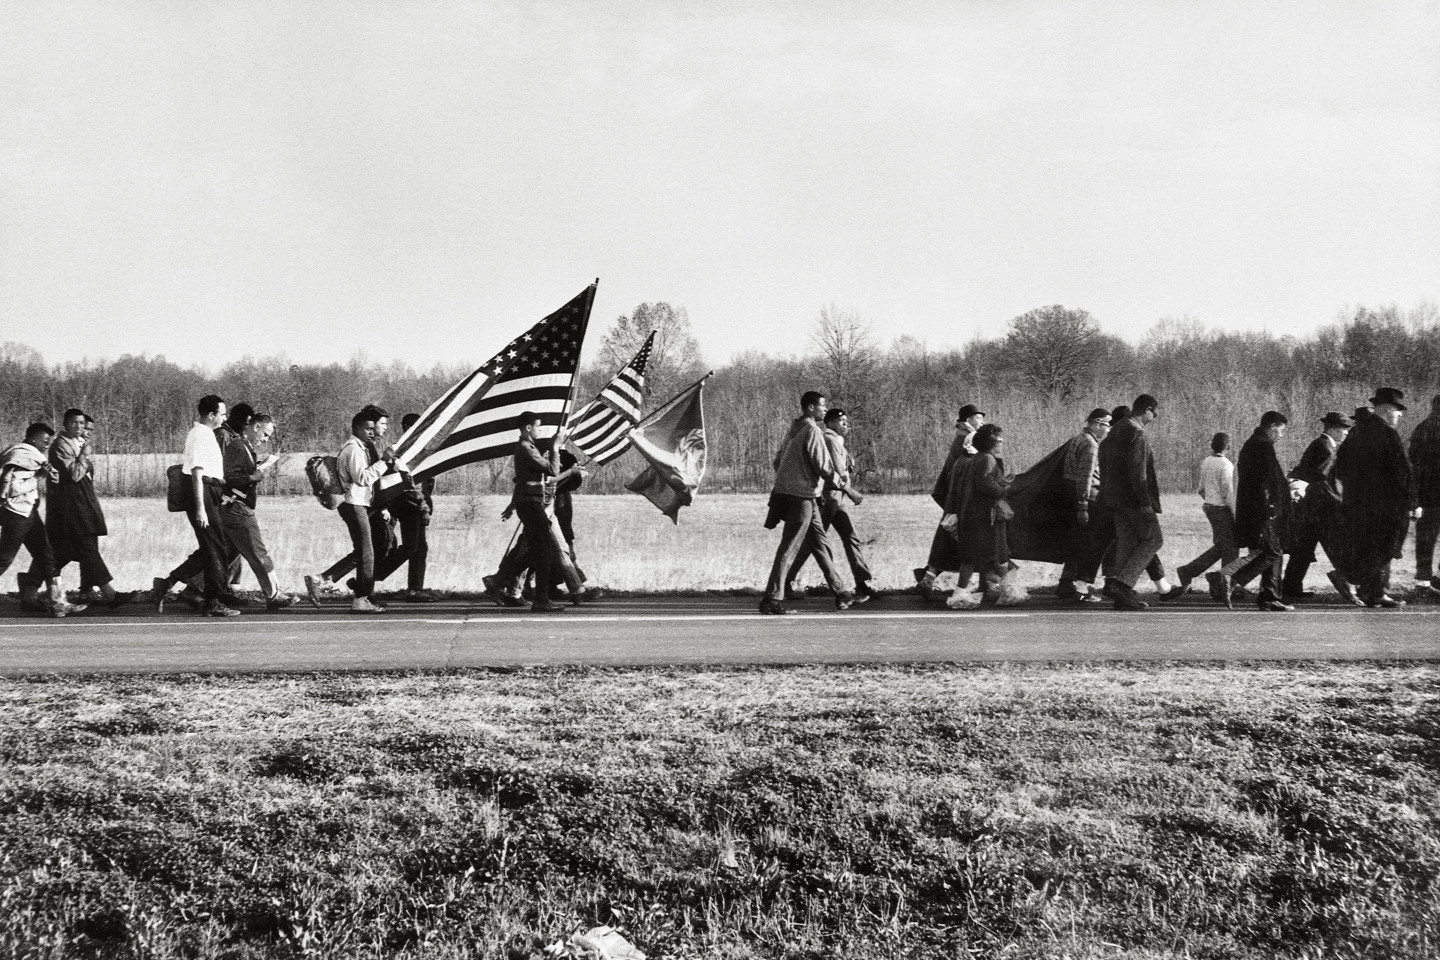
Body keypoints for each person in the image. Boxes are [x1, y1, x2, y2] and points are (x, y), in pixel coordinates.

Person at [759, 391, 857, 615]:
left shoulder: (795, 429)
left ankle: (841, 592)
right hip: (801, 496)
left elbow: (777, 461)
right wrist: (845, 486)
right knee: (790, 546)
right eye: (822, 406)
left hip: (798, 494)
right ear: (811, 408)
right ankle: (772, 599)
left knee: (819, 544)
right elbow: (823, 465)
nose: (825, 409)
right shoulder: (813, 430)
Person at [152, 395, 240, 617]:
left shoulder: (205, 434)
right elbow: (197, 473)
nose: (225, 417)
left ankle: (168, 583)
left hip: (211, 491)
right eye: (222, 413)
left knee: (213, 546)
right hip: (203, 493)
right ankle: (213, 601)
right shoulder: (199, 435)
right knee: (214, 549)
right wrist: (201, 507)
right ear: (211, 415)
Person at [304, 405, 399, 605]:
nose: (372, 433)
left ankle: (322, 580)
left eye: (374, 429)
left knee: (363, 552)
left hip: (358, 504)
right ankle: (361, 598)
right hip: (353, 504)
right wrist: (384, 462)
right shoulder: (353, 449)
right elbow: (362, 478)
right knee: (367, 553)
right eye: (367, 429)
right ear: (356, 428)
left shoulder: (359, 447)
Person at [1334, 387, 1419, 608]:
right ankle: (1354, 578)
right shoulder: (1387, 433)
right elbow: (1402, 472)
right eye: (1398, 410)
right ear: (1386, 409)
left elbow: (1340, 467)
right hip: (1385, 504)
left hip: (1357, 502)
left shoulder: (1357, 432)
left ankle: (1372, 591)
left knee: (1369, 546)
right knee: (1385, 548)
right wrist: (1412, 502)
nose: (1400, 415)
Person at [38, 409, 130, 609]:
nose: (79, 428)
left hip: (79, 504)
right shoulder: (61, 445)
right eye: (75, 423)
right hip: (71, 507)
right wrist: (84, 458)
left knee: (61, 552)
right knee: (87, 549)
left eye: (82, 424)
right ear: (65, 424)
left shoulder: (75, 443)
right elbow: (74, 475)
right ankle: (109, 594)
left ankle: (30, 587)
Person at [787, 407, 875, 601]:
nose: (846, 424)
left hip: (836, 499)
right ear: (831, 422)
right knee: (815, 543)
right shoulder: (829, 439)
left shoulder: (836, 441)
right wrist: (850, 490)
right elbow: (833, 471)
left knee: (850, 537)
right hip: (829, 498)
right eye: (842, 420)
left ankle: (862, 583)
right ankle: (786, 581)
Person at [1, 423, 84, 617]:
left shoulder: (27, 456)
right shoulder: (22, 455)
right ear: (32, 439)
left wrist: (40, 474)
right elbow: (12, 487)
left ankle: (58, 602)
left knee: (47, 557)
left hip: (29, 513)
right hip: (17, 513)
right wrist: (39, 476)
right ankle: (56, 601)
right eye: (44, 441)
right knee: (4, 559)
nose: (47, 445)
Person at [1215, 412, 1295, 611]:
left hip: (1259, 507)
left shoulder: (1255, 444)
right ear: (1272, 426)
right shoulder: (1261, 446)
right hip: (1263, 509)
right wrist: (1270, 505)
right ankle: (1231, 578)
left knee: (1273, 550)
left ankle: (1270, 596)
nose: (1282, 435)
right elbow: (1263, 481)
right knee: (1273, 551)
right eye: (1281, 430)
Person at [220, 413, 296, 611]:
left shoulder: (244, 446)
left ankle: (196, 587)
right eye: (266, 434)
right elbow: (231, 477)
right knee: (257, 552)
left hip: (232, 507)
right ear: (256, 427)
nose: (266, 439)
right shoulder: (238, 446)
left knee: (226, 553)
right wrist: (254, 476)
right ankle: (274, 594)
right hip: (237, 507)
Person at [1097, 394, 1164, 611]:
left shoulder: (1113, 433)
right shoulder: (1137, 434)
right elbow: (1138, 473)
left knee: (1126, 543)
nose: (1155, 416)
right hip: (1133, 500)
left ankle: (1120, 597)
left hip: (1114, 499)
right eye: (1154, 412)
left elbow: (1104, 464)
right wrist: (1145, 501)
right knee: (1153, 540)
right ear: (1146, 409)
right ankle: (1124, 585)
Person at [1282, 412, 1358, 604]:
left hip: (1310, 508)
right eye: (1344, 429)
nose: (1346, 433)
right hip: (1321, 509)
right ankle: (1346, 581)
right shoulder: (1326, 448)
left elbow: (1305, 471)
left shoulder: (1320, 444)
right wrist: (1338, 502)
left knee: (1303, 549)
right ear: (1333, 429)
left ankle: (1291, 587)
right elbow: (1320, 480)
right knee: (1336, 547)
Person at [915, 403, 985, 596]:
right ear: (968, 420)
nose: (982, 421)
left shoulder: (963, 437)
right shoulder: (968, 438)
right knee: (961, 539)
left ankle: (928, 577)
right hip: (961, 498)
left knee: (950, 539)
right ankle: (987, 585)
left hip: (955, 497)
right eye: (979, 417)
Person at [941, 423, 1014, 603]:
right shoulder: (988, 459)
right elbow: (985, 485)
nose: (1001, 443)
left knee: (972, 557)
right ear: (991, 442)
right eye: (999, 439)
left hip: (973, 516)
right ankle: (1007, 591)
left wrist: (1001, 481)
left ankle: (963, 592)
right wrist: (1004, 488)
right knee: (999, 553)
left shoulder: (976, 459)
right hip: (985, 517)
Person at [509, 411, 569, 613]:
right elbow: (552, 470)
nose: (539, 430)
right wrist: (554, 447)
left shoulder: (528, 448)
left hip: (529, 502)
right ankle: (541, 599)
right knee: (545, 551)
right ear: (528, 428)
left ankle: (500, 579)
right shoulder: (526, 449)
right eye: (537, 426)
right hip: (530, 503)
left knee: (537, 549)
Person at [1054, 408, 1110, 603]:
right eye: (1106, 424)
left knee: (1076, 542)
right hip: (1088, 497)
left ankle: (1066, 583)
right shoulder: (1091, 445)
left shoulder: (1079, 438)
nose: (1108, 429)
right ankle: (1081, 587)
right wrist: (1083, 505)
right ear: (1096, 423)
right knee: (1088, 544)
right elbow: (1085, 477)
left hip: (1072, 494)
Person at [1173, 432, 1237, 599]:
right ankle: (1224, 587)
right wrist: (1234, 512)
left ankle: (1191, 572)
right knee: (1231, 548)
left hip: (1209, 506)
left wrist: (1210, 500)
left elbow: (1201, 489)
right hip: (1221, 508)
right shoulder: (1226, 464)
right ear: (1228, 447)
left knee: (1223, 546)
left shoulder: (1206, 462)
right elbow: (1227, 493)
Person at [1407, 394, 1440, 595]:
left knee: (1425, 540)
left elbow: (1413, 461)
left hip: (1426, 493)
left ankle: (1423, 581)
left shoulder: (1422, 428)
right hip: (1433, 492)